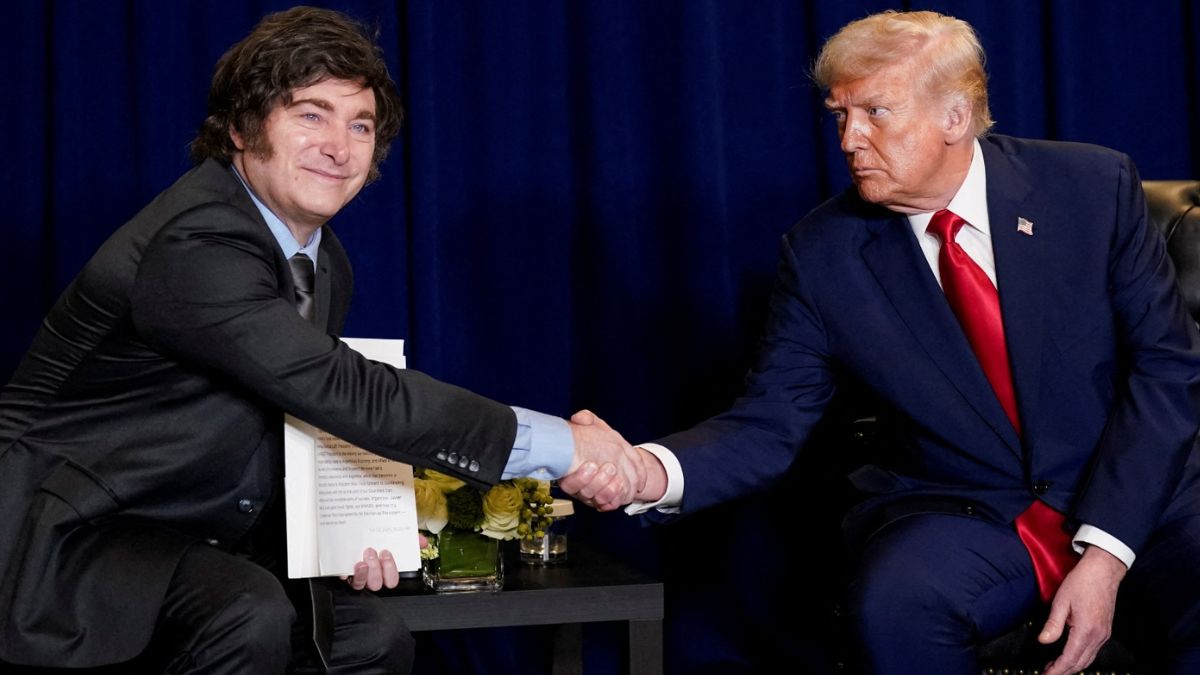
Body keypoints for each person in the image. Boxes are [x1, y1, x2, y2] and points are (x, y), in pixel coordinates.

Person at [0, 6, 640, 674]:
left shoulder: (321, 259)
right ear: (243, 128)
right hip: (68, 540)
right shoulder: (197, 242)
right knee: (247, 612)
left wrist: (344, 534)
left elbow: (283, 413)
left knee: (370, 637)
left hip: (187, 534)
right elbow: (338, 387)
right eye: (311, 114)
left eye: (359, 124)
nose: (340, 146)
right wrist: (561, 446)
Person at [563, 10, 1200, 675]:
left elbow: (1167, 371)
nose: (849, 138)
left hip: (1129, 486)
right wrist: (645, 470)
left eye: (875, 112)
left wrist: (1105, 553)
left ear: (955, 117)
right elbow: (769, 424)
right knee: (896, 602)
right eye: (839, 114)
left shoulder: (1092, 190)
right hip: (966, 507)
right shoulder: (822, 254)